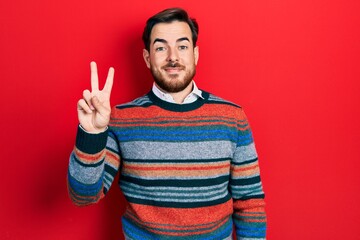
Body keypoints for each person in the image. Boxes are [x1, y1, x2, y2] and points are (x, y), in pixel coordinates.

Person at [68, 7, 266, 240]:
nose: (173, 57)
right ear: (147, 58)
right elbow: (83, 196)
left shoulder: (232, 117)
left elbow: (250, 202)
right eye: (161, 48)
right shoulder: (120, 119)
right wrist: (92, 133)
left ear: (195, 54)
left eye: (182, 46)